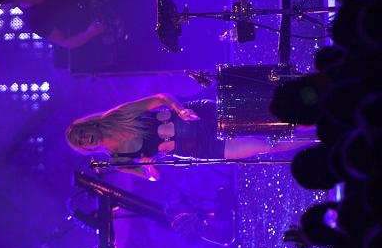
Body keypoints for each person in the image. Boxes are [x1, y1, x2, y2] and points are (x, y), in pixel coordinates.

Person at [66, 93, 312, 180]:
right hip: (199, 148)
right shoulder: (119, 161)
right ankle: (316, 136)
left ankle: (311, 117)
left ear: (89, 125)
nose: (84, 139)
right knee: (263, 146)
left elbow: (160, 98)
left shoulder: (118, 115)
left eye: (81, 133)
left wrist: (180, 110)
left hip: (198, 117)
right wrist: (149, 168)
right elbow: (152, 177)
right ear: (86, 149)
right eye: (80, 142)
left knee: (261, 118)